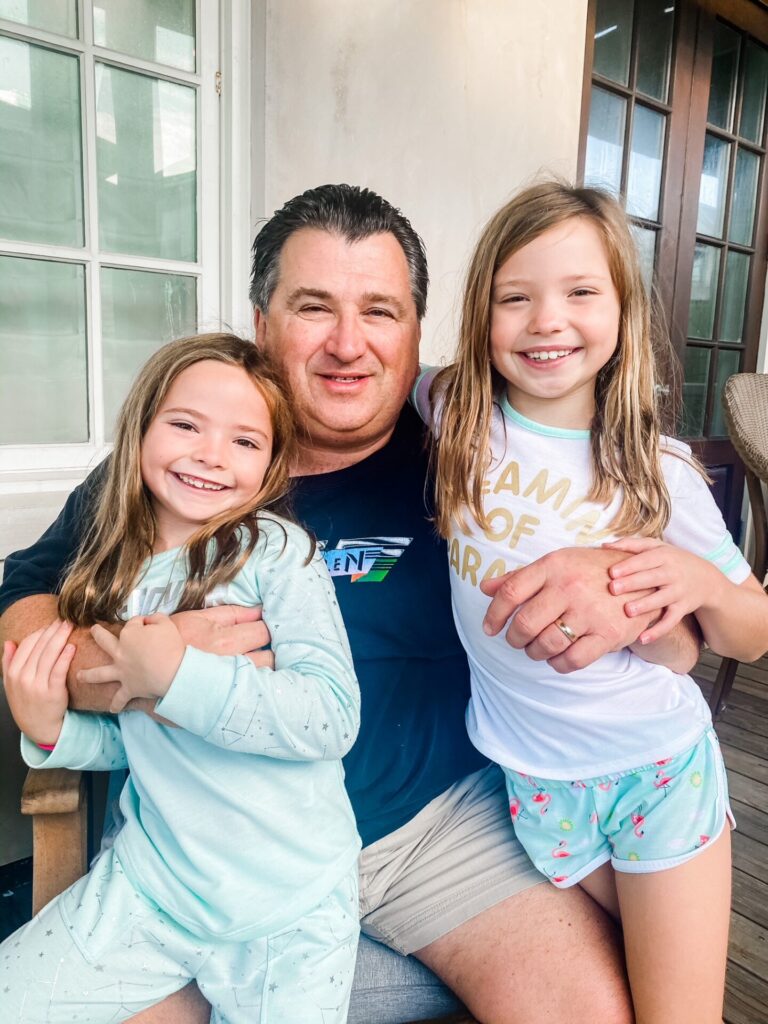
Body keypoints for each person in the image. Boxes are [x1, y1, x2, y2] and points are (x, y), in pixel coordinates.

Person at [0, 184, 702, 1024]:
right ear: (262, 323)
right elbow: (26, 588)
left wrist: (624, 589)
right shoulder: (185, 465)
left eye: (380, 311)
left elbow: (678, 631)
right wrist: (121, 662)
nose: (347, 344)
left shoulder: (476, 450)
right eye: (313, 308)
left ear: (417, 333)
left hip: (432, 834)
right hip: (197, 847)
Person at [414, 181, 768, 1023]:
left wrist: (699, 584)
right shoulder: (452, 414)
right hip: (532, 783)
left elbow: (752, 631)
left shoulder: (658, 472)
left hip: (655, 773)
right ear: (481, 312)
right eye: (515, 298)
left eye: (580, 292)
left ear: (622, 312)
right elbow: (385, 376)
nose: (548, 321)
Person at [0, 334, 361, 1023]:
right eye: (186, 425)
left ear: (272, 464)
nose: (211, 455)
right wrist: (54, 731)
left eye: (245, 441)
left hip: (287, 909)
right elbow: (141, 743)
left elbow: (332, 716)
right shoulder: (112, 569)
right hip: (151, 889)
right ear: (140, 429)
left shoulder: (277, 552)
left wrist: (178, 676)